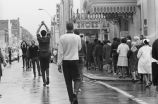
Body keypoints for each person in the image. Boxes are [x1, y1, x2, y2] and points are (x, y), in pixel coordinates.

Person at [57, 22, 81, 104]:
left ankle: (72, 100)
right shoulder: (77, 37)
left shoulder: (62, 38)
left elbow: (60, 52)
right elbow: (79, 48)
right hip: (75, 60)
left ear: (66, 28)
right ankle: (75, 93)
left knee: (68, 82)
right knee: (77, 79)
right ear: (73, 28)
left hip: (65, 62)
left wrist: (59, 64)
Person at [37, 21, 51, 86]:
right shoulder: (48, 38)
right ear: (45, 34)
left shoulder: (39, 39)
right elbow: (49, 31)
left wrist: (40, 25)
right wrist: (45, 24)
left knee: (42, 68)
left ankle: (44, 82)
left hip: (41, 55)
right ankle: (47, 76)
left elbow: (37, 32)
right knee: (47, 66)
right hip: (47, 54)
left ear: (41, 34)